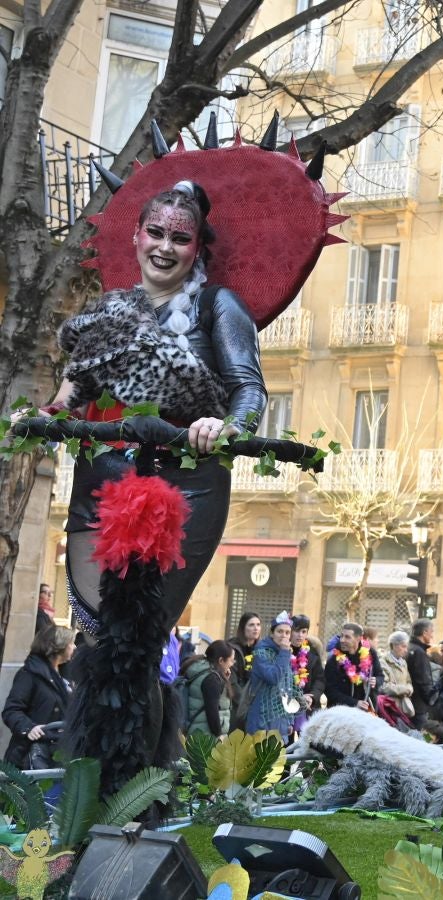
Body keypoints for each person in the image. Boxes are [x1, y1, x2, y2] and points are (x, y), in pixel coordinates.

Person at [38, 183, 266, 636]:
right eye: (156, 232)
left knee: (137, 645)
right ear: (136, 236)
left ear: (197, 248)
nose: (165, 247)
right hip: (100, 484)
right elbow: (70, 396)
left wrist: (226, 426)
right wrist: (46, 419)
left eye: (180, 238)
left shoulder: (217, 306)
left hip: (185, 487)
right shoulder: (108, 311)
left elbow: (249, 389)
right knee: (97, 641)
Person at [3, 627, 76, 769]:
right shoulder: (29, 674)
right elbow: (11, 710)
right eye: (71, 643)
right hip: (31, 756)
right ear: (59, 645)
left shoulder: (64, 674)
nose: (75, 647)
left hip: (57, 752)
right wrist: (29, 728)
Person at [325, 622, 384, 711]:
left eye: (347, 637)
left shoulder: (370, 653)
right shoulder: (334, 659)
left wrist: (376, 681)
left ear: (359, 638)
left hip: (367, 709)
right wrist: (354, 703)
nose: (342, 640)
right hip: (341, 711)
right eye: (342, 636)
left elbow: (380, 676)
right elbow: (330, 690)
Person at [183, 640, 235, 740]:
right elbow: (212, 711)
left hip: (196, 732)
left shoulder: (202, 670)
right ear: (221, 661)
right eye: (231, 660)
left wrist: (223, 681)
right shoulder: (212, 679)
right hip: (206, 737)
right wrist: (219, 734)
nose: (232, 664)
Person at [289, 614, 324, 734]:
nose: (300, 635)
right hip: (286, 705)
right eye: (296, 631)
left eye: (304, 631)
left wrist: (312, 697)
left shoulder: (312, 652)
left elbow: (320, 679)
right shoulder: (283, 651)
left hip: (308, 706)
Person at [406, 619, 438, 728]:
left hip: (411, 703)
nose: (432, 635)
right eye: (431, 632)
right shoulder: (419, 652)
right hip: (418, 706)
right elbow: (423, 681)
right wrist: (431, 699)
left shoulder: (410, 648)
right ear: (424, 633)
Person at [379, 631, 417, 721]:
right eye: (403, 646)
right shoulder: (383, 662)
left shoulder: (403, 663)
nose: (406, 650)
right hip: (389, 708)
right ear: (394, 645)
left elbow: (408, 681)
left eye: (406, 647)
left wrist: (409, 688)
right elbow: (383, 687)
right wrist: (405, 689)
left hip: (402, 708)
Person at [229, 611, 262, 710]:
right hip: (237, 703)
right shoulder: (232, 648)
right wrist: (244, 704)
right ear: (243, 628)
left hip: (256, 701)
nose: (256, 628)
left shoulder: (262, 649)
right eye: (251, 625)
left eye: (258, 625)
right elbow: (232, 681)